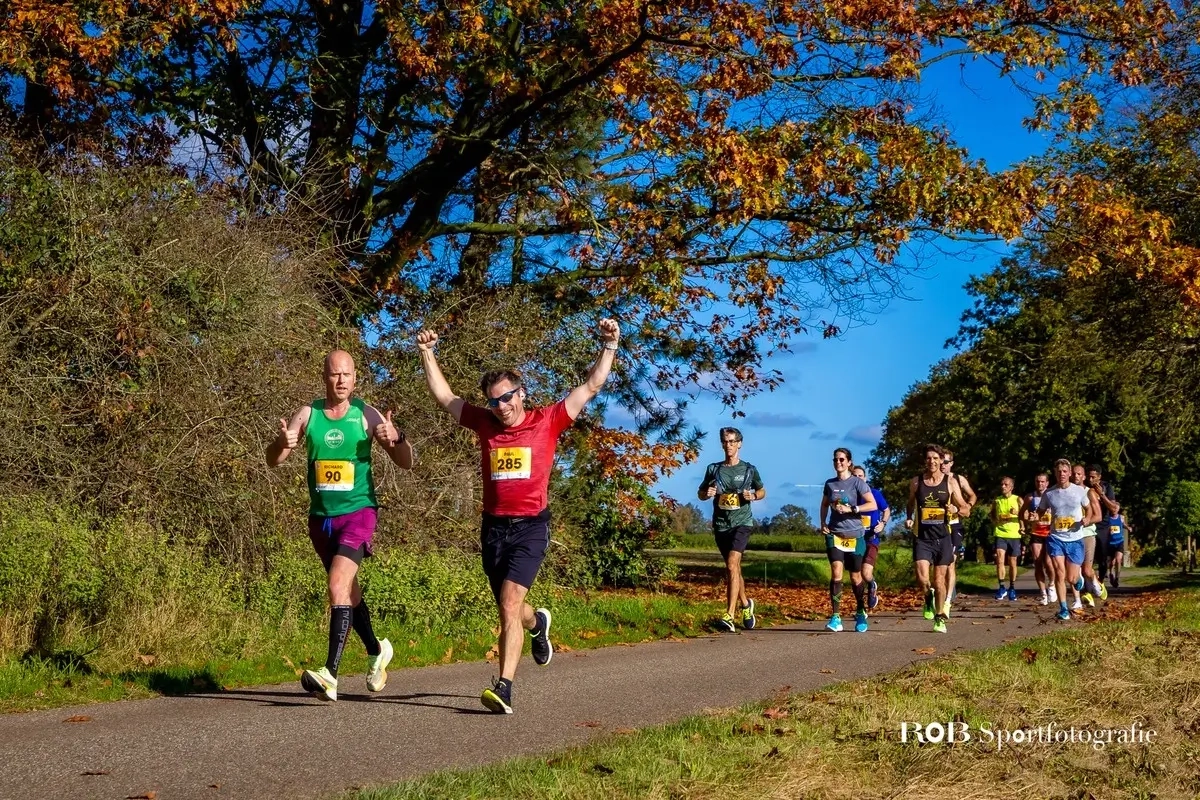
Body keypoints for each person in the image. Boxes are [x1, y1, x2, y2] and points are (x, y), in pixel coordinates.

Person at [416, 319, 620, 714]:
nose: (502, 406)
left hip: (531, 526)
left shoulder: (549, 419)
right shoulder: (484, 423)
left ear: (521, 393)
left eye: (507, 397)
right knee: (511, 607)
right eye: (494, 401)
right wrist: (426, 352)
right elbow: (445, 397)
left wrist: (610, 345)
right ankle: (538, 624)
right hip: (493, 527)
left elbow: (591, 386)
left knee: (509, 602)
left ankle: (504, 687)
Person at [266, 349, 415, 702]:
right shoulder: (308, 414)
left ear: (355, 377)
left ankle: (330, 674)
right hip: (321, 520)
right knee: (348, 590)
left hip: (358, 513)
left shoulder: (366, 415)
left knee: (337, 585)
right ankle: (377, 650)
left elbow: (406, 462)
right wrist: (280, 442)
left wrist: (398, 437)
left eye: (347, 374)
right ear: (324, 377)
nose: (341, 380)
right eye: (335, 374)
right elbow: (274, 460)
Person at [698, 428, 765, 632]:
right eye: (725, 442)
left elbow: (762, 490)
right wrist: (706, 493)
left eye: (732, 441)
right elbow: (701, 493)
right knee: (733, 568)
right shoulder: (714, 469)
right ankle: (746, 604)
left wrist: (753, 496)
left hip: (742, 523)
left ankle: (729, 614)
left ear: (740, 444)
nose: (728, 445)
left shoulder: (749, 470)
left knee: (732, 564)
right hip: (721, 525)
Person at [906, 444, 968, 633]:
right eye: (928, 458)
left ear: (941, 461)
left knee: (939, 581)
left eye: (935, 458)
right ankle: (927, 598)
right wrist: (909, 518)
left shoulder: (950, 482)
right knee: (923, 579)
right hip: (922, 538)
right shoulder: (916, 482)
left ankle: (940, 617)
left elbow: (966, 508)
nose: (932, 461)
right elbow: (909, 504)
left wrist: (957, 509)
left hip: (943, 538)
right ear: (925, 461)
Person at [819, 449, 877, 632]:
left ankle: (860, 611)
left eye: (842, 459)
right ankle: (836, 617)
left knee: (855, 576)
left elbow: (872, 504)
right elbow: (824, 504)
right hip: (835, 534)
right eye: (835, 459)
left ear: (849, 462)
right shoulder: (830, 484)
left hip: (855, 535)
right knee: (836, 572)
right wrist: (823, 522)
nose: (838, 462)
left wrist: (853, 509)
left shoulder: (857, 483)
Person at [1044, 459, 1101, 621]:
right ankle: (1063, 609)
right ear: (1055, 473)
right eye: (1058, 471)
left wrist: (1087, 519)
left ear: (1069, 473)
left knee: (1071, 578)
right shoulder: (1049, 493)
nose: (1061, 474)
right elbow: (1041, 511)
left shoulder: (1080, 492)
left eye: (1064, 471)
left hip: (1076, 539)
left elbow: (1089, 510)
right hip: (1056, 538)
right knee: (1059, 574)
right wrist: (1034, 516)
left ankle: (1078, 579)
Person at [940, 449, 975, 616]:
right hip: (938, 526)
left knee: (950, 562)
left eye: (946, 462)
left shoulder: (958, 480)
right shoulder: (933, 480)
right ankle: (943, 592)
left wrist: (966, 507)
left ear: (951, 463)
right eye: (941, 462)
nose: (942, 465)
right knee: (940, 564)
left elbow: (972, 495)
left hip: (955, 525)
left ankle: (947, 598)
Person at [852, 465, 890, 609]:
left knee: (866, 573)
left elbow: (886, 510)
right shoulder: (849, 497)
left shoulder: (874, 493)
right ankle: (860, 605)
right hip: (855, 539)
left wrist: (883, 524)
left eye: (860, 476)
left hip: (871, 539)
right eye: (854, 476)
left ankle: (872, 584)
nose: (857, 479)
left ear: (865, 478)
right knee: (856, 575)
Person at [1072, 464, 1109, 608]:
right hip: (1071, 536)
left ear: (1084, 477)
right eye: (1074, 474)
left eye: (1079, 474)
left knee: (1086, 570)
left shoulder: (1089, 492)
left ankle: (1097, 585)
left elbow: (1098, 516)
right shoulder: (1066, 492)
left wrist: (1086, 521)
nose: (1076, 476)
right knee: (1075, 570)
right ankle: (1082, 598)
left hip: (1087, 534)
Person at [1087, 464, 1121, 586]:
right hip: (1087, 525)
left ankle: (1100, 582)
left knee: (1102, 557)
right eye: (1088, 477)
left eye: (1093, 477)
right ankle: (1087, 583)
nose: (1090, 480)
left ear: (1099, 477)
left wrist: (1102, 495)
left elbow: (1113, 509)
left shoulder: (1107, 487)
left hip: (1102, 526)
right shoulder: (1084, 487)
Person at [1024, 473, 1054, 605]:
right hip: (1036, 533)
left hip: (1051, 533)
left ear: (1047, 483)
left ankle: (1052, 585)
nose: (1040, 484)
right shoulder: (1030, 497)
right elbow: (1022, 513)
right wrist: (1027, 518)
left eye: (1043, 482)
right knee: (1037, 562)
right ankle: (1043, 593)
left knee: (1048, 563)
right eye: (1038, 482)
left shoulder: (1053, 496)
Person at [991, 477, 1023, 601]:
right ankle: (1001, 587)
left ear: (1012, 487)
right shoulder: (997, 500)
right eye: (1002, 484)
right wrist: (996, 521)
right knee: (999, 559)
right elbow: (992, 513)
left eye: (1006, 484)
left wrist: (1018, 513)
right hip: (1000, 534)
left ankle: (1012, 588)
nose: (1003, 486)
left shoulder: (1017, 499)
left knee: (1012, 562)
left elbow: (1025, 515)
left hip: (1014, 535)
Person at [1107, 512, 1127, 587]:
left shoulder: (1121, 517)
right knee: (1111, 563)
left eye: (1116, 508)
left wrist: (1128, 527)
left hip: (1119, 542)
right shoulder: (1107, 518)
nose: (1114, 510)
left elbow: (1123, 524)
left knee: (1118, 560)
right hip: (1110, 543)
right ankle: (1111, 574)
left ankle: (1117, 578)